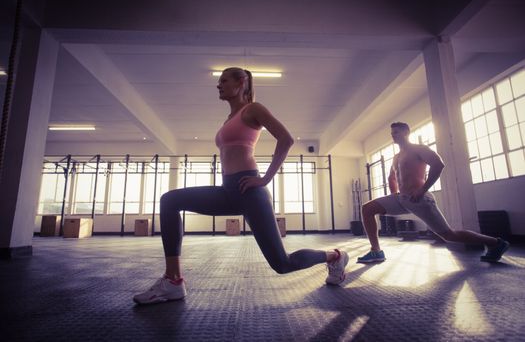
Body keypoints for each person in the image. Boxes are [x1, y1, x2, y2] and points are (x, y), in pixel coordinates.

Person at [133, 67, 349, 305]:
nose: (219, 85)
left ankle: (335, 256)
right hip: (228, 191)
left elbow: (285, 139)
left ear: (242, 82)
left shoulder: (253, 109)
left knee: (282, 264)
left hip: (250, 190)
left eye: (224, 80)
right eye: (219, 81)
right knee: (170, 200)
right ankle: (173, 280)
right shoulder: (229, 119)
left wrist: (265, 178)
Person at [357, 122, 509, 264]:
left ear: (406, 133)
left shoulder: (419, 149)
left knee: (449, 235)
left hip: (419, 199)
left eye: (396, 132)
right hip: (401, 199)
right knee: (367, 208)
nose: (393, 135)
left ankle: (496, 243)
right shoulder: (396, 157)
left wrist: (423, 190)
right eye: (392, 133)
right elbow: (392, 177)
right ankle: (376, 251)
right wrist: (394, 193)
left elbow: (438, 165)